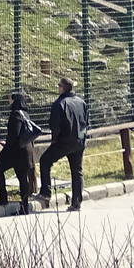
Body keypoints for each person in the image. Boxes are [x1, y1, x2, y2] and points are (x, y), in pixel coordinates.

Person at [36, 77, 90, 210]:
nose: (58, 88)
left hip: (64, 141)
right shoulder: (81, 102)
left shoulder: (59, 103)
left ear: (62, 88)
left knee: (45, 161)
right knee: (77, 170)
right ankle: (76, 202)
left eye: (59, 86)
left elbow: (55, 126)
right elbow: (87, 121)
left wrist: (54, 140)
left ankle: (45, 193)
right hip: (79, 141)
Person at [0, 90, 42, 213]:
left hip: (16, 151)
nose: (9, 101)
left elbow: (15, 134)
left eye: (10, 99)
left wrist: (7, 146)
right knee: (23, 178)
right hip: (27, 151)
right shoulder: (25, 114)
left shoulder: (15, 114)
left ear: (15, 100)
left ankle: (3, 198)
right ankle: (25, 206)